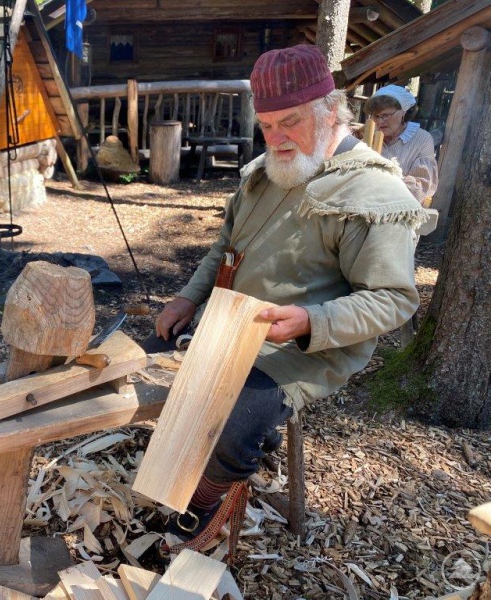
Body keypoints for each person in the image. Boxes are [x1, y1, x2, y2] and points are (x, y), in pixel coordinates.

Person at [150, 45, 426, 562]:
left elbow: (392, 300)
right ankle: (173, 475)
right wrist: (188, 298)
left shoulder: (373, 191)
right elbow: (225, 245)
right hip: (233, 321)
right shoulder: (267, 170)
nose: (276, 138)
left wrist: (309, 321)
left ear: (331, 112)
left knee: (236, 421)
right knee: (145, 364)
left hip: (306, 345)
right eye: (267, 124)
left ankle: (206, 504)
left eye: (290, 122)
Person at [364, 85, 439, 204]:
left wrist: (378, 181)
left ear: (403, 112)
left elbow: (418, 190)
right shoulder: (366, 136)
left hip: (400, 210)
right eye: (376, 116)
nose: (379, 121)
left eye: (386, 115)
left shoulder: (422, 139)